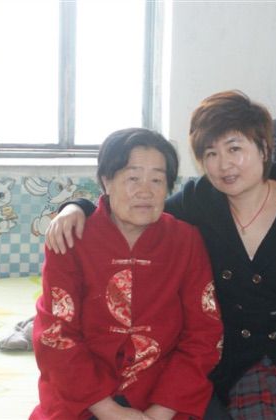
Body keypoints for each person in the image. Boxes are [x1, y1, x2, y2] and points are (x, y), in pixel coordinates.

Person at [46, 91, 276, 420]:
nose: (223, 164)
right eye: (210, 153)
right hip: (232, 365)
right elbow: (134, 209)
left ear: (264, 149)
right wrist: (75, 207)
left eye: (234, 148)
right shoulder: (197, 206)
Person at [31, 128, 225, 420]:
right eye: (133, 178)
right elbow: (55, 334)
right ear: (106, 181)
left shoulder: (186, 240)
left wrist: (161, 411)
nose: (145, 191)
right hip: (84, 396)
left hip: (166, 392)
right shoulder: (70, 238)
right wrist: (108, 410)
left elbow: (204, 333)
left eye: (157, 180)